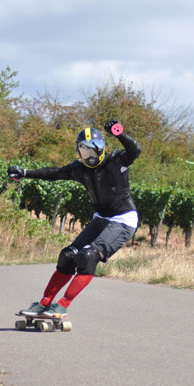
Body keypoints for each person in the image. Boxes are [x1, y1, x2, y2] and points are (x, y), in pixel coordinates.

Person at [8, 119, 141, 317]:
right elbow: (53, 173)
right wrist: (24, 173)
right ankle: (44, 303)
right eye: (85, 151)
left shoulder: (116, 161)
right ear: (79, 152)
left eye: (94, 149)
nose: (90, 155)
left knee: (88, 256)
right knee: (68, 256)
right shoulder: (80, 169)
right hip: (101, 218)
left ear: (102, 148)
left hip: (123, 219)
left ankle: (62, 305)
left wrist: (119, 133)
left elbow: (135, 150)